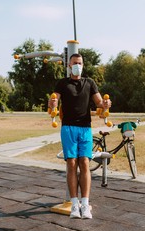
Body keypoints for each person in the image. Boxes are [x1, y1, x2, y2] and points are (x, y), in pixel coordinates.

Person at [49, 53, 111, 219]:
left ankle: (85, 204)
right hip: (68, 127)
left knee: (84, 162)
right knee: (71, 163)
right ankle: (74, 204)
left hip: (85, 128)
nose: (78, 65)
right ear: (69, 66)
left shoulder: (89, 83)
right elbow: (53, 100)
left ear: (83, 65)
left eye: (80, 63)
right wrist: (52, 102)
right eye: (75, 63)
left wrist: (106, 104)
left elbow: (99, 103)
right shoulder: (63, 83)